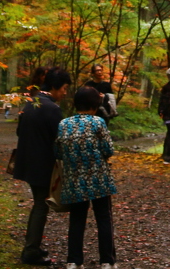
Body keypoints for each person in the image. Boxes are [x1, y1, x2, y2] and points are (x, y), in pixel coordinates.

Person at [13, 66, 71, 265]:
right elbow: (61, 138)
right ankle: (30, 251)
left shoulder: (32, 101)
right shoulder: (52, 108)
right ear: (55, 86)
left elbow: (19, 132)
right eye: (64, 88)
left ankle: (32, 247)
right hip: (42, 165)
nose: (64, 93)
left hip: (28, 162)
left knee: (38, 204)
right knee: (40, 206)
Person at [57, 85, 117, 269]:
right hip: (98, 178)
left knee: (77, 219)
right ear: (94, 105)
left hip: (74, 178)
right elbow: (109, 150)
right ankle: (107, 261)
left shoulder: (63, 124)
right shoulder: (98, 122)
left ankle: (73, 261)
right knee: (103, 218)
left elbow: (58, 152)